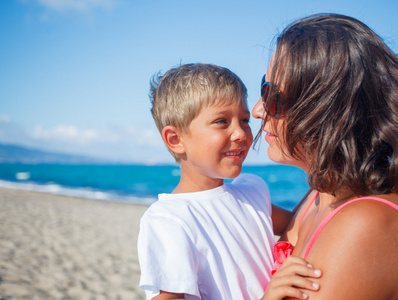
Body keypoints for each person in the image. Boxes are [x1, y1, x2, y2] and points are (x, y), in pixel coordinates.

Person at [138, 63, 321, 300]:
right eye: (222, 121)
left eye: (244, 120)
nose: (240, 133)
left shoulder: (253, 191)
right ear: (175, 140)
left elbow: (305, 225)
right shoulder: (168, 219)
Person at [252, 13, 398, 300]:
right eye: (263, 89)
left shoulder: (363, 224)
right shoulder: (318, 195)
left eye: (274, 98)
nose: (258, 109)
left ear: (329, 110)